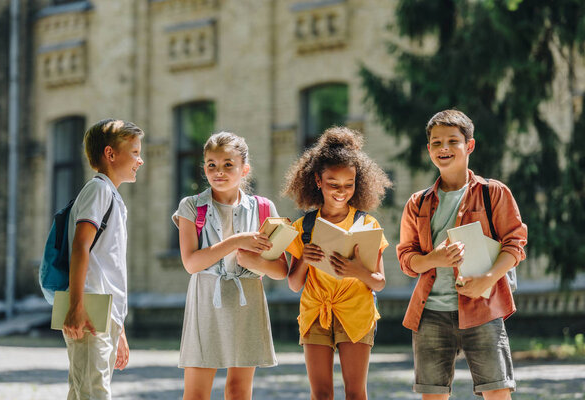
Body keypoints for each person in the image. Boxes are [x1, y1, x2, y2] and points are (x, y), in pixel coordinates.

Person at [397, 109, 528, 399]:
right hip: (430, 313)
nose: (443, 148)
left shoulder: (492, 192)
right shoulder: (417, 203)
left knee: (497, 393)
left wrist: (488, 280)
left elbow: (515, 244)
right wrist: (434, 259)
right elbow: (407, 259)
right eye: (436, 143)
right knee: (433, 395)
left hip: (483, 308)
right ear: (429, 148)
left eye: (452, 141)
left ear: (469, 145)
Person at [172, 131, 288, 400]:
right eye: (211, 164)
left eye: (228, 164)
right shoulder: (191, 206)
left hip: (247, 301)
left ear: (244, 169)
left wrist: (251, 260)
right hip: (205, 300)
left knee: (238, 391)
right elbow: (191, 263)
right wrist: (236, 242)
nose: (218, 171)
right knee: (196, 393)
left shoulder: (263, 208)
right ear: (204, 167)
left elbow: (281, 270)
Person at [283, 126, 391, 400]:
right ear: (318, 180)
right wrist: (305, 259)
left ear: (358, 181)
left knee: (355, 393)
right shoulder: (303, 226)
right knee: (320, 394)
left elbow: (379, 281)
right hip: (315, 314)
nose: (341, 191)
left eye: (348, 184)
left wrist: (356, 270)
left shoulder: (367, 224)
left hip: (356, 313)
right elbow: (295, 284)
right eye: (333, 184)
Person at [62, 118, 145, 399]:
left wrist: (118, 328)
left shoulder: (112, 196)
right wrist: (75, 306)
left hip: (104, 310)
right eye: (134, 152)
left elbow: (109, 267)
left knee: (85, 390)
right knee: (93, 391)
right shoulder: (98, 190)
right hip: (89, 307)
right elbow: (80, 247)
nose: (140, 160)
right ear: (110, 154)